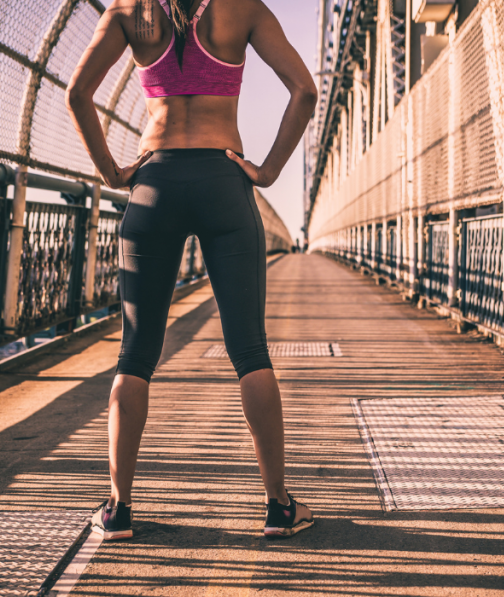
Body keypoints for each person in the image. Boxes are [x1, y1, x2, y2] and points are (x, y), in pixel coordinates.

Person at [66, 0, 318, 540]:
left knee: (135, 354)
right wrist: (268, 170)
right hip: (223, 181)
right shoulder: (242, 8)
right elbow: (305, 90)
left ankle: (118, 509)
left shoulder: (127, 12)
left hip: (154, 182)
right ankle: (278, 506)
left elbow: (77, 95)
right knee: (250, 350)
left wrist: (112, 170)